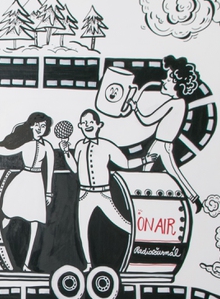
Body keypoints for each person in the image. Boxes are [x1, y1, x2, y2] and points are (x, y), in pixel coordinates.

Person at [61, 109, 157, 271]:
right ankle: (89, 265)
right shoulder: (79, 145)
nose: (87, 125)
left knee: (123, 223)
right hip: (84, 195)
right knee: (83, 229)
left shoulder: (106, 145)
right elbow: (76, 169)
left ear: (99, 125)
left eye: (91, 122)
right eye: (84, 123)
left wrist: (145, 159)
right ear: (80, 126)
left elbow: (126, 164)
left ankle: (145, 245)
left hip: (103, 193)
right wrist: (65, 152)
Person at [0, 106, 55, 271]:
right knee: (6, 216)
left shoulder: (48, 147)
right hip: (22, 182)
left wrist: (48, 192)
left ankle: (27, 264)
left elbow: (49, 171)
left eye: (43, 126)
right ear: (31, 126)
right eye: (37, 125)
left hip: (37, 185)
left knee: (35, 223)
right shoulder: (25, 144)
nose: (40, 128)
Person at [130, 55, 202, 212]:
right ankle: (193, 199)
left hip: (162, 144)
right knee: (156, 172)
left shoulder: (174, 103)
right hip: (161, 144)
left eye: (169, 79)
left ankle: (144, 203)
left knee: (155, 173)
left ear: (177, 84)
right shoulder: (180, 103)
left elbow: (147, 120)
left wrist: (135, 108)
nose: (164, 81)